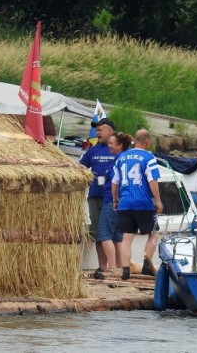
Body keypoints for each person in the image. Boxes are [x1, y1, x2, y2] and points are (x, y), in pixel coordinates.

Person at [111, 129, 163, 280]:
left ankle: (125, 268)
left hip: (125, 203)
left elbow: (114, 183)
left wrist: (115, 200)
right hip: (143, 202)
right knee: (154, 233)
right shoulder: (149, 157)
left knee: (127, 237)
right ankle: (147, 259)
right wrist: (158, 200)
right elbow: (152, 180)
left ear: (135, 140)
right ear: (147, 142)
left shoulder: (121, 158)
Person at [79, 117, 116, 279]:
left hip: (112, 199)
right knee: (98, 233)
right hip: (94, 196)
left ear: (110, 131)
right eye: (97, 130)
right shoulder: (93, 150)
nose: (97, 133)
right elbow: (80, 168)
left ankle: (115, 267)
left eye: (100, 130)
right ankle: (102, 267)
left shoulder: (117, 149)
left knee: (111, 233)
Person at [96, 132, 131, 277]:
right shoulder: (124, 159)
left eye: (112, 143)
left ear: (120, 145)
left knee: (104, 234)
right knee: (117, 236)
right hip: (121, 203)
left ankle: (112, 268)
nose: (109, 146)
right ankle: (120, 268)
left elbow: (116, 182)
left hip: (112, 200)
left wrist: (115, 199)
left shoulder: (118, 160)